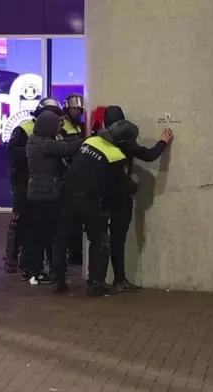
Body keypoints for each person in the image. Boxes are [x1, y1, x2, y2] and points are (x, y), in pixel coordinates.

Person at [53, 119, 140, 297]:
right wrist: (135, 185)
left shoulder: (90, 141)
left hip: (66, 193)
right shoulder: (116, 155)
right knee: (100, 240)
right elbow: (124, 185)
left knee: (61, 238)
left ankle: (58, 281)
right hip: (88, 199)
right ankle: (95, 284)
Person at [102, 106, 174, 291]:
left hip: (101, 196)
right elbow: (149, 156)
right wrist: (163, 142)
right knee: (118, 239)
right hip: (121, 197)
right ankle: (119, 280)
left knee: (101, 239)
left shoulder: (98, 141)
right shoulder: (127, 143)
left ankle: (98, 280)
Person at [4, 98, 65, 279]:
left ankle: (41, 263)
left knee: (42, 226)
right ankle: (12, 259)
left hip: (45, 182)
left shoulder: (56, 131)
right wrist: (37, 151)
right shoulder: (24, 128)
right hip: (24, 180)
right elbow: (12, 152)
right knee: (20, 219)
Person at [24, 111, 83, 284]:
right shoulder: (43, 144)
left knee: (41, 235)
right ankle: (36, 271)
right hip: (45, 195)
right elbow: (67, 148)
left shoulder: (37, 141)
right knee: (43, 236)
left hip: (41, 193)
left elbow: (65, 144)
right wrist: (90, 139)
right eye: (58, 125)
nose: (61, 127)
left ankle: (40, 270)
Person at [60, 93, 86, 267]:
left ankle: (76, 255)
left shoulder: (80, 124)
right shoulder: (61, 124)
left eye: (79, 108)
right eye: (75, 108)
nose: (78, 111)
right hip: (65, 174)